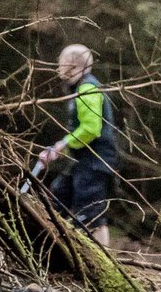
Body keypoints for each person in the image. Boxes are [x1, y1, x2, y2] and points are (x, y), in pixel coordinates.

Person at [40, 43, 118, 248]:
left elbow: (91, 128)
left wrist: (62, 144)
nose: (58, 69)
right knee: (57, 199)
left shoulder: (87, 88)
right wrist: (60, 149)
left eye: (61, 64)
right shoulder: (82, 88)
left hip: (95, 161)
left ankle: (103, 260)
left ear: (73, 66)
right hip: (82, 160)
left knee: (91, 215)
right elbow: (82, 131)